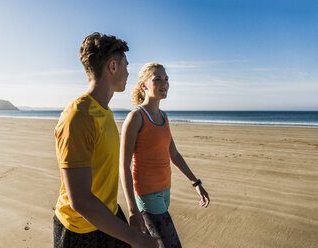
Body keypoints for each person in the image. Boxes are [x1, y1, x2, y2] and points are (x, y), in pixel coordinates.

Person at [53, 33, 158, 248]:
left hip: (108, 216)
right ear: (112, 66)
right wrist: (137, 239)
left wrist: (131, 212)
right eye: (125, 65)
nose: (128, 72)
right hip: (79, 231)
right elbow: (80, 200)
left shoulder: (105, 112)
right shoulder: (78, 117)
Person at [120, 62, 210, 248]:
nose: (164, 83)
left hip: (165, 191)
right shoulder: (135, 118)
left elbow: (174, 155)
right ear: (144, 85)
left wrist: (196, 183)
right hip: (147, 195)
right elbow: (124, 167)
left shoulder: (164, 117)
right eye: (157, 79)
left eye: (166, 79)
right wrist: (133, 210)